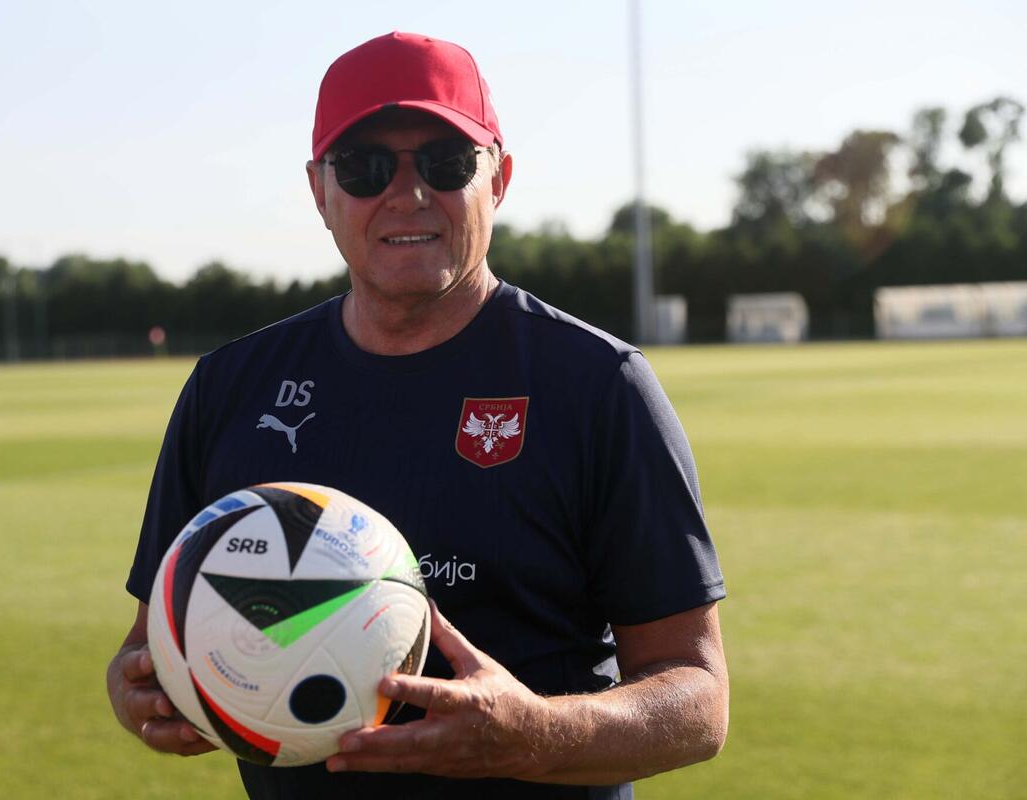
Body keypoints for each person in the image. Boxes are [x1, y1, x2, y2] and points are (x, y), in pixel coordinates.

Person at [106, 31, 728, 800]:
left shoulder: (600, 386)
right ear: (319, 190)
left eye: (446, 161)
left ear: (498, 178)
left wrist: (534, 736)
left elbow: (698, 699)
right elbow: (147, 644)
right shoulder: (227, 388)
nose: (407, 193)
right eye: (364, 167)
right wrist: (143, 689)